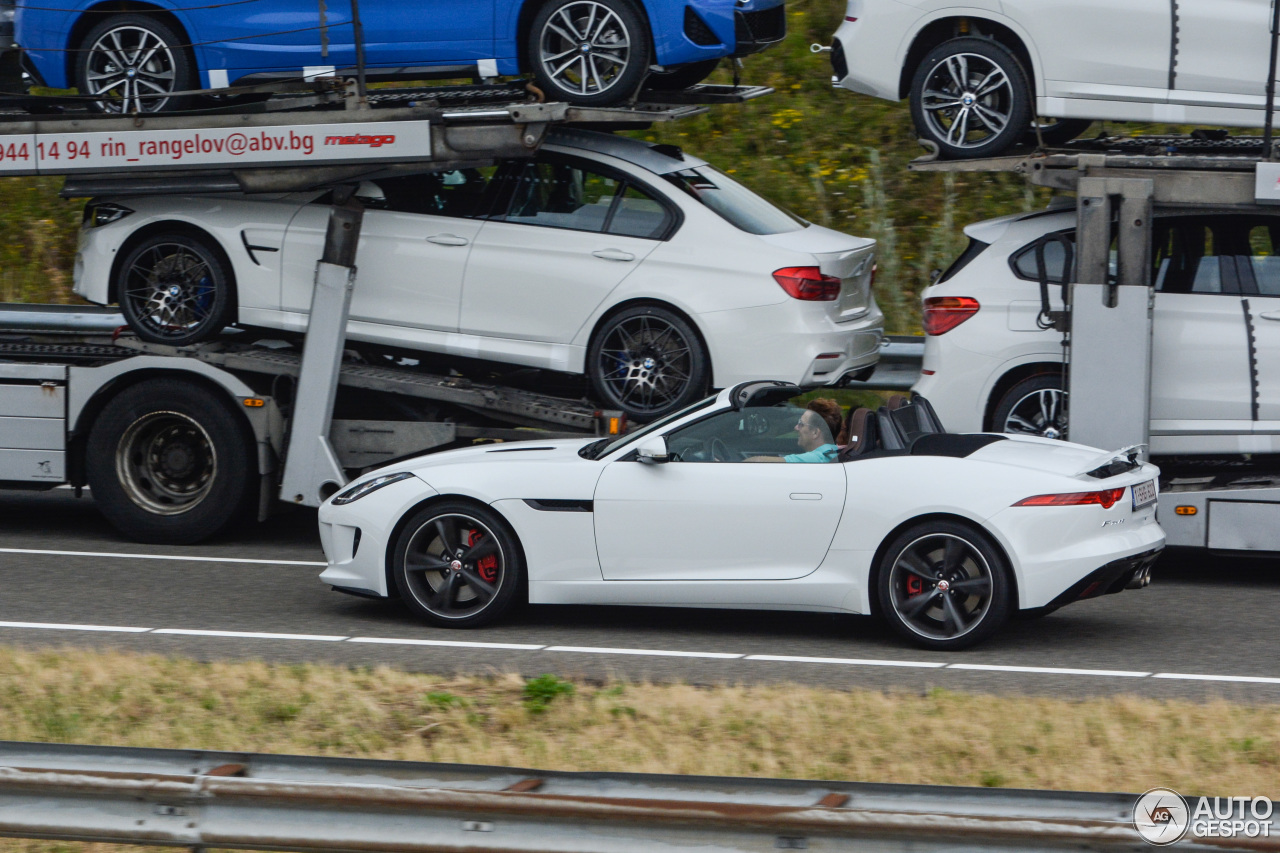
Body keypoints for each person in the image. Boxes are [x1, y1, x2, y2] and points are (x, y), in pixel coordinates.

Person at [747, 398, 843, 463]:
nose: (796, 428)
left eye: (801, 424)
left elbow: (758, 461)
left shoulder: (815, 458)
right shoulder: (834, 451)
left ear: (815, 432)